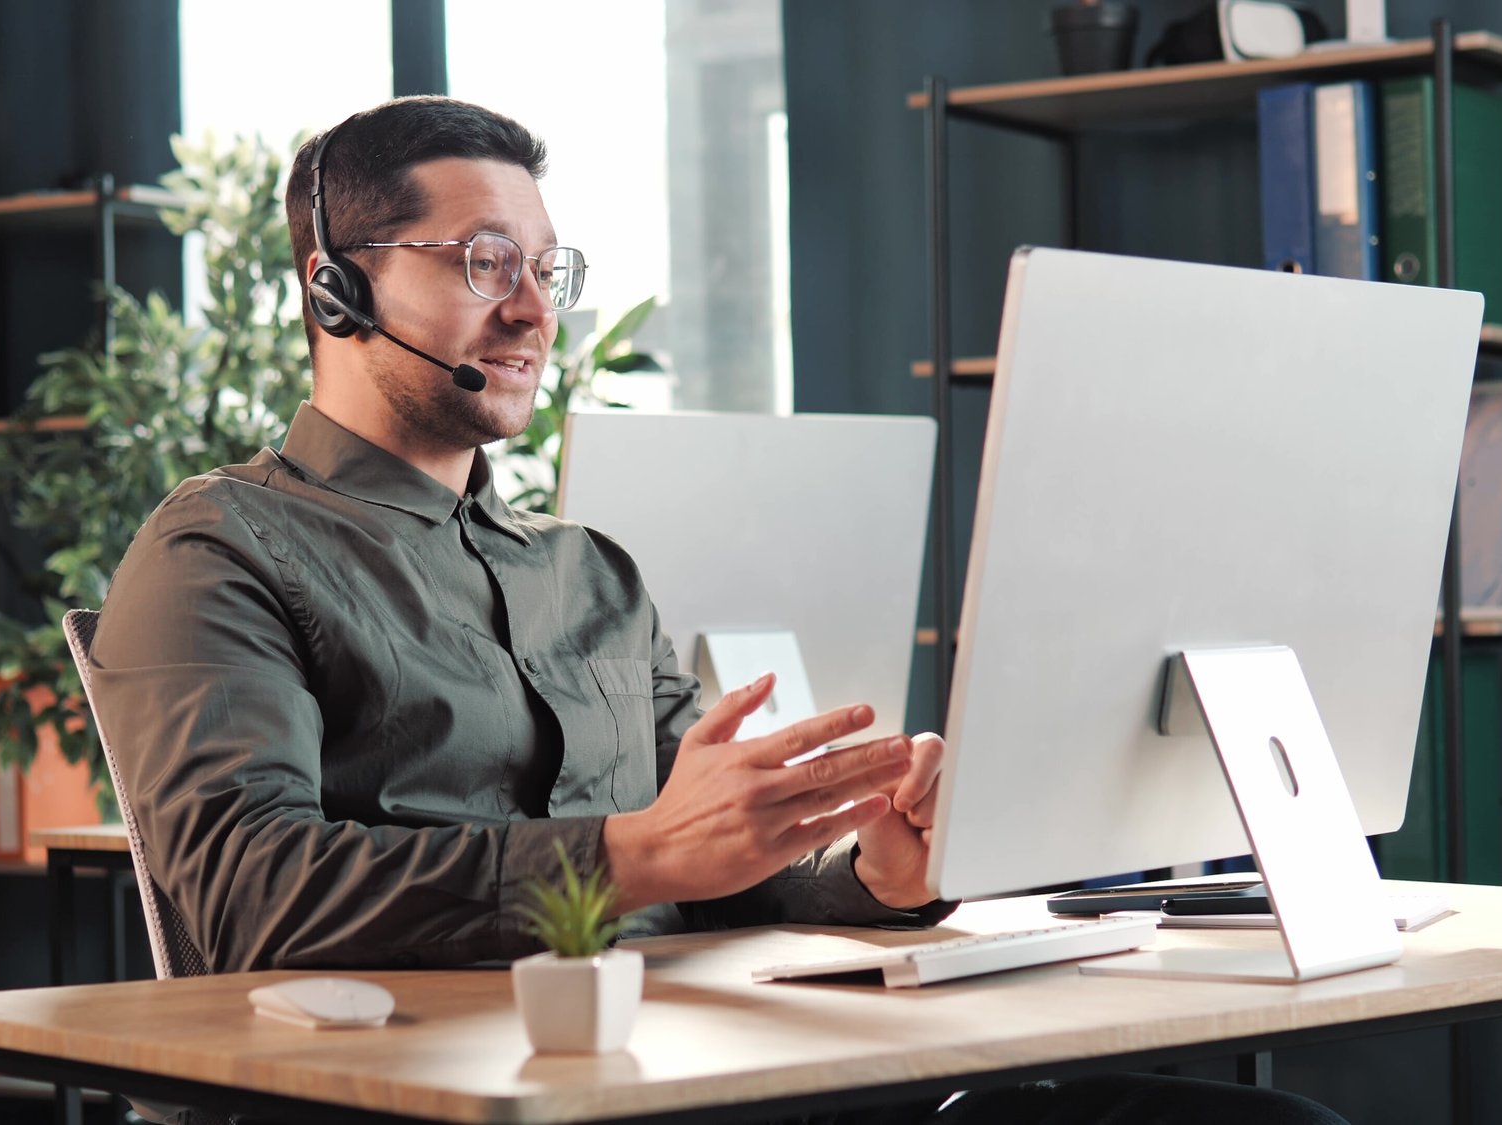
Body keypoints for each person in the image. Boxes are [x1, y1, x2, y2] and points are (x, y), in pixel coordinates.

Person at [88, 96, 1346, 1125]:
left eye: (544, 269)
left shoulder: (590, 574)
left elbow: (724, 878)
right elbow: (247, 898)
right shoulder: (221, 547)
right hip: (424, 1100)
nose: (532, 309)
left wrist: (871, 875)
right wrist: (632, 855)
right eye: (482, 265)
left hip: (689, 1081)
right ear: (334, 293)